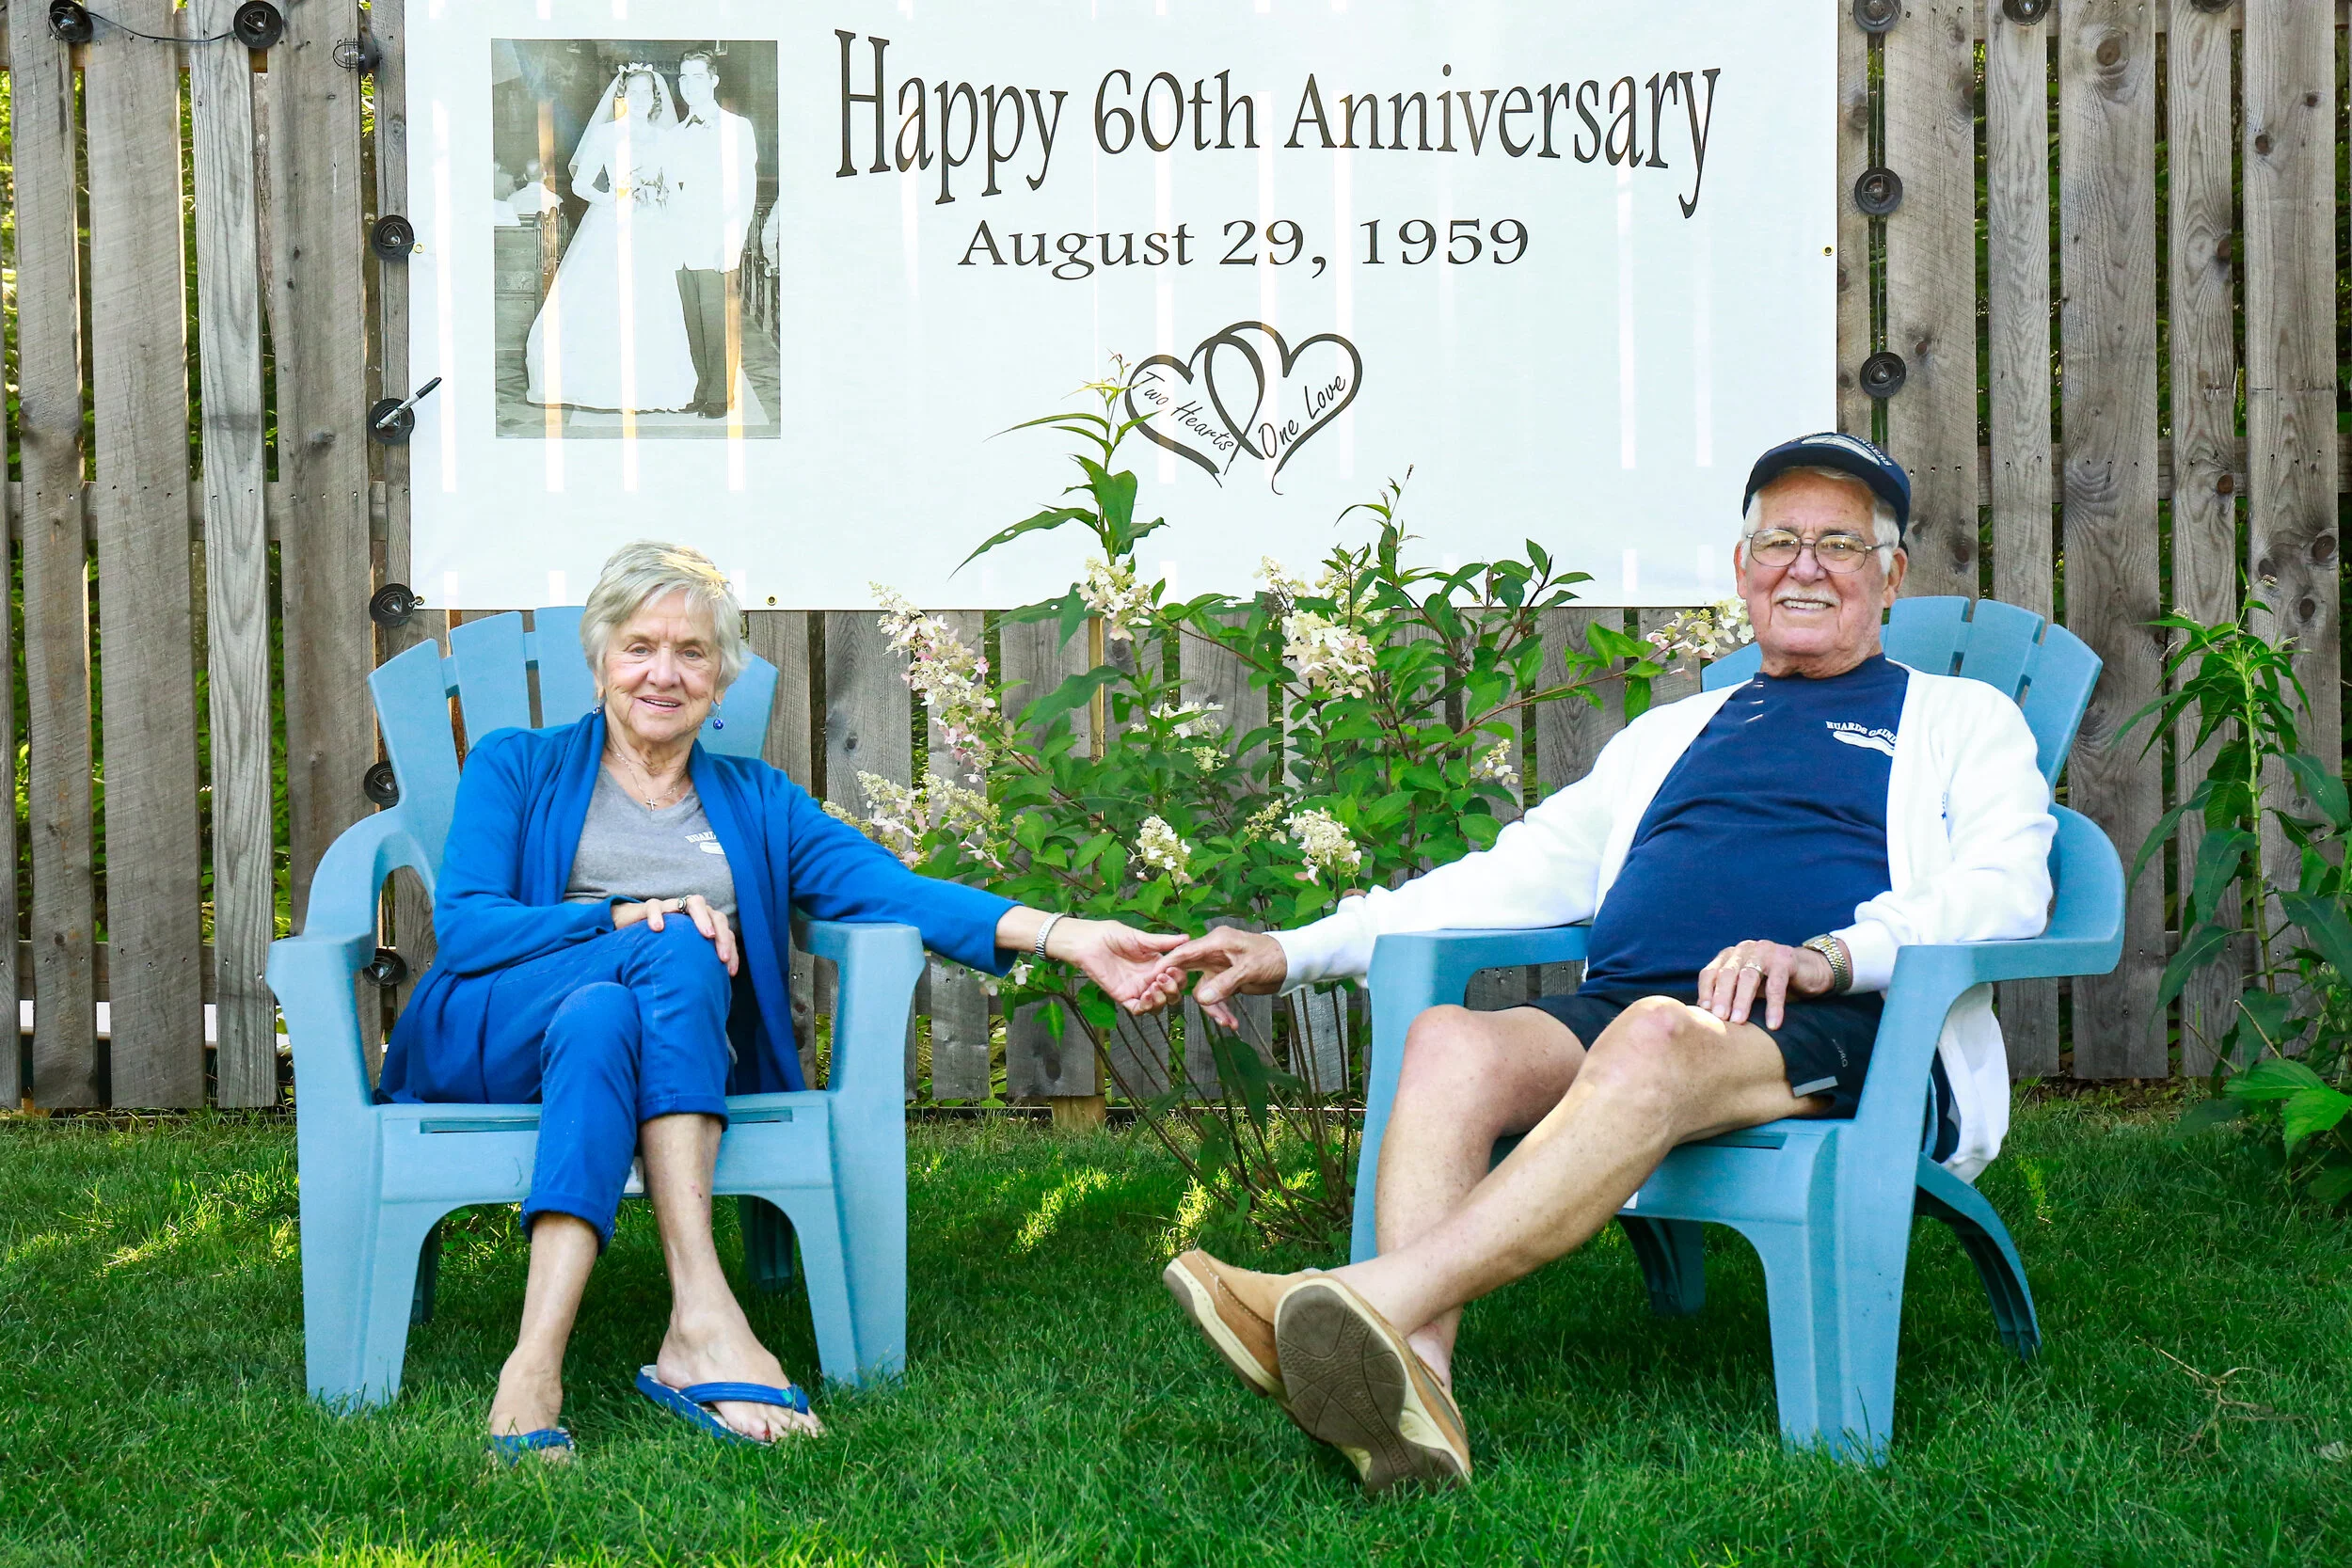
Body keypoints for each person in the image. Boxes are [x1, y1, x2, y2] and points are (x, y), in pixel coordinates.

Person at [1151, 435, 2057, 1494]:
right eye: (1779, 541)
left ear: (1890, 576)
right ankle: (1416, 1387)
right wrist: (1293, 949)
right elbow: (1510, 872)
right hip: (1628, 1009)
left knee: (1653, 1034)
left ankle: (1356, 1298)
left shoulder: (1959, 718)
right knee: (1447, 1039)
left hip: (1841, 1021)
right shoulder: (1671, 733)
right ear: (1742, 567)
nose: (1804, 566)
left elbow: (2007, 883)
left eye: (1840, 544)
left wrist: (1831, 954)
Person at [377, 542, 1185, 1461]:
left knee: (610, 1012)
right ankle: (701, 1315)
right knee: (675, 937)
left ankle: (533, 1365)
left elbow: (895, 891)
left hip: (636, 1045)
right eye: (640, 647)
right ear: (600, 662)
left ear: (721, 680)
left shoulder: (759, 802)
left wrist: (1066, 933)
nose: (664, 673)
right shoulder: (515, 764)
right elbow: (470, 927)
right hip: (495, 1033)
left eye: (692, 652)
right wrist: (627, 914)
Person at [524, 65, 700, 416]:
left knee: (651, 303)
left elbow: (673, 184)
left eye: (646, 93)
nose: (639, 99)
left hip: (651, 229)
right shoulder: (606, 135)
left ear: (654, 98)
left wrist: (663, 199)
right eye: (633, 92)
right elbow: (580, 183)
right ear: (623, 96)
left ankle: (651, 385)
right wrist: (613, 196)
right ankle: (599, 384)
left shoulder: (664, 138)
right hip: (609, 225)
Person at [666, 51, 762, 419]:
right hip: (680, 245)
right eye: (683, 77)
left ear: (714, 80)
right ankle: (702, 388)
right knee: (692, 322)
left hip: (714, 243)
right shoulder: (674, 134)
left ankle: (721, 393)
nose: (689, 85)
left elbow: (744, 189)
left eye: (697, 76)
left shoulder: (737, 128)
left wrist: (731, 244)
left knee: (717, 320)